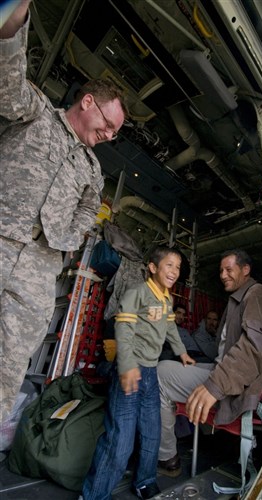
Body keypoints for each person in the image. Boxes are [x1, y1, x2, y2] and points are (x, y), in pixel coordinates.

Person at [0, 0, 128, 423]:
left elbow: (90, 211)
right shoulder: (35, 112)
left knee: (8, 367)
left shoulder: (93, 169)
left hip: (38, 270)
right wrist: (13, 22)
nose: (109, 136)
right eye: (108, 124)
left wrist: (67, 242)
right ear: (88, 101)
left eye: (114, 133)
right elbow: (8, 82)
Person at [82, 246, 196, 500]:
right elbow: (123, 328)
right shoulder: (138, 293)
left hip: (151, 373)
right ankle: (94, 495)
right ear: (153, 268)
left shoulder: (167, 299)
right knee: (119, 438)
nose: (174, 271)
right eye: (169, 265)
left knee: (151, 432)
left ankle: (144, 481)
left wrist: (182, 353)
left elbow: (169, 327)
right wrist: (126, 366)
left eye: (177, 267)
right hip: (130, 369)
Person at [157, 249, 262, 477]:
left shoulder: (258, 294)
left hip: (239, 384)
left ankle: (167, 457)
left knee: (160, 375)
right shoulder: (237, 299)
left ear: (245, 270)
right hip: (223, 370)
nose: (223, 275)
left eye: (229, 269)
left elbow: (254, 350)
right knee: (171, 366)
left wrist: (215, 386)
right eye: (221, 270)